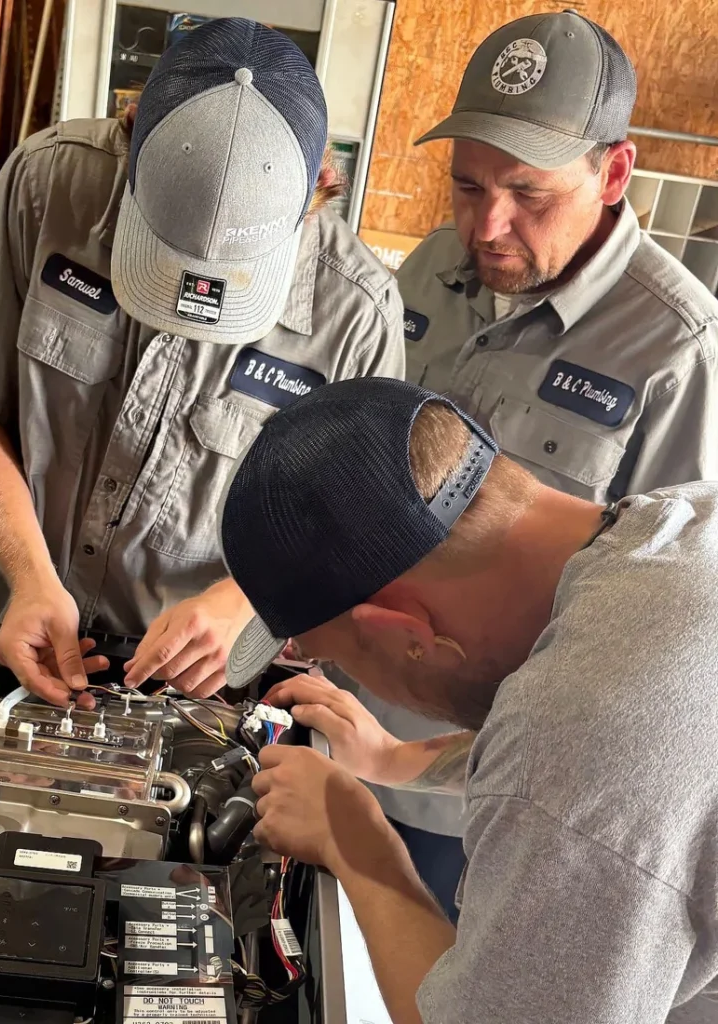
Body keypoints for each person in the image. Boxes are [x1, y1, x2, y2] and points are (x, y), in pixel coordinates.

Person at [0, 18, 404, 707]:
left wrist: (250, 603)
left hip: (184, 682)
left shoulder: (358, 316)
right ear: (131, 128)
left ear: (323, 184)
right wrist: (28, 574)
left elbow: (354, 530)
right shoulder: (46, 184)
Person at [218, 375, 718, 1024]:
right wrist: (395, 760)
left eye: (335, 657)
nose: (341, 673)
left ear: (403, 633)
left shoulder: (581, 724)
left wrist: (358, 845)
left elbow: (585, 750)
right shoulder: (678, 530)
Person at [364, 9, 718, 918]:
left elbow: (656, 652)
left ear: (614, 173)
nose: (488, 226)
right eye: (466, 185)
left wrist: (421, 764)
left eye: (529, 193)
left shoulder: (676, 353)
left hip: (483, 800)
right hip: (350, 721)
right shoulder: (433, 267)